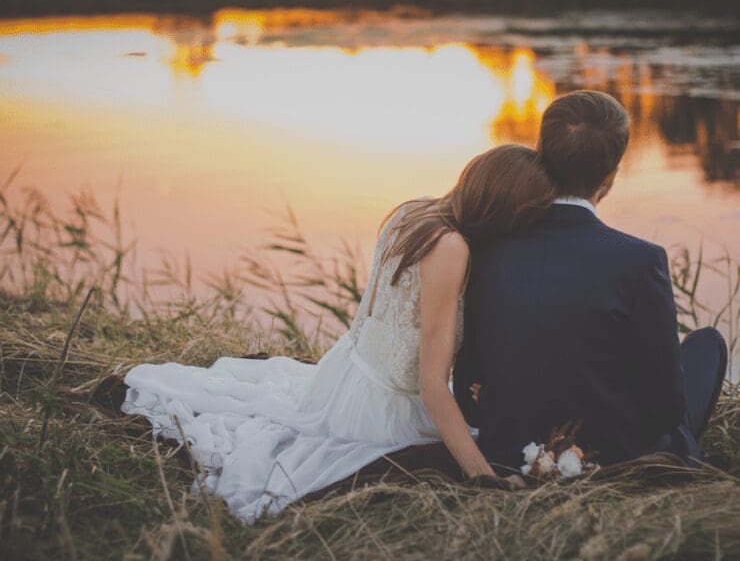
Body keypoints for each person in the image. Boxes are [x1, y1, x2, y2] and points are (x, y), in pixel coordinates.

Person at [121, 144, 555, 522]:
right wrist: (482, 477)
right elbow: (429, 384)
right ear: (505, 211)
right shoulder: (451, 248)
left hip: (345, 372)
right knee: (484, 446)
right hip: (382, 407)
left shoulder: (416, 210)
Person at [454, 90, 728, 473]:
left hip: (510, 447)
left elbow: (467, 386)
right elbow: (665, 408)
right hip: (609, 450)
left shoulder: (487, 249)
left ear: (541, 154)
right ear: (613, 172)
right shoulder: (640, 260)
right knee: (706, 345)